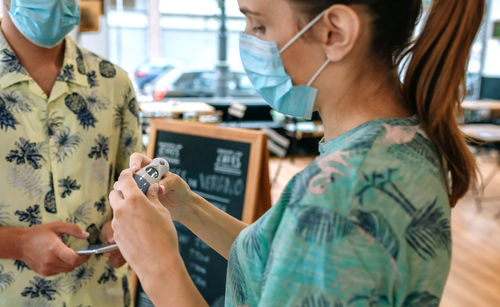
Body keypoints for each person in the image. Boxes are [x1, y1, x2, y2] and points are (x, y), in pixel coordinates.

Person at [109, 0, 484, 306]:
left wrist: (157, 266)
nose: (249, 44)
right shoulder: (395, 139)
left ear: (334, 32)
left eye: (259, 27)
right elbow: (284, 260)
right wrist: (188, 208)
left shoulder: (341, 193)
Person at [0, 0, 141, 305]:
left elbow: (133, 185)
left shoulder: (112, 82)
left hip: (100, 295)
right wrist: (16, 244)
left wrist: (123, 227)